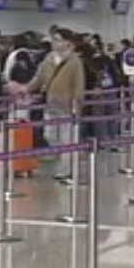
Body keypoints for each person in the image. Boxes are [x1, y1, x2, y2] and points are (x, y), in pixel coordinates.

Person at [29, 31, 87, 180]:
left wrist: (77, 105)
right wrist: (25, 88)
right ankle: (65, 160)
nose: (54, 42)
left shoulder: (75, 61)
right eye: (53, 39)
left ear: (68, 42)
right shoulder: (48, 59)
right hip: (50, 105)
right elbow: (38, 79)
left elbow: (79, 85)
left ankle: (66, 170)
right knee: (50, 135)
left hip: (67, 106)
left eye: (58, 39)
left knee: (67, 140)